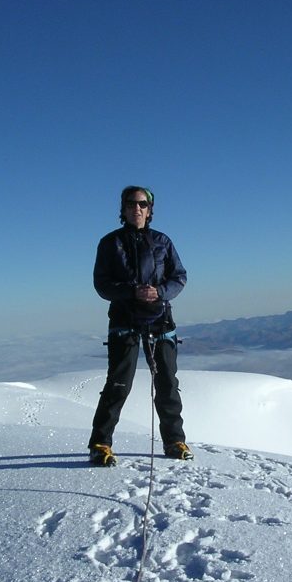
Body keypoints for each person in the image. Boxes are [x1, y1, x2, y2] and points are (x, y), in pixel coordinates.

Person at [88, 186, 193, 466]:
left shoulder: (162, 241)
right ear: (122, 209)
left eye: (143, 204)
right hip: (125, 321)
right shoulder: (110, 243)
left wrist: (159, 292)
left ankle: (175, 441)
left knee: (168, 383)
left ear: (150, 209)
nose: (137, 208)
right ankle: (100, 443)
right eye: (132, 203)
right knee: (119, 384)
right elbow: (102, 284)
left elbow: (179, 276)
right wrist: (133, 292)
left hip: (160, 320)